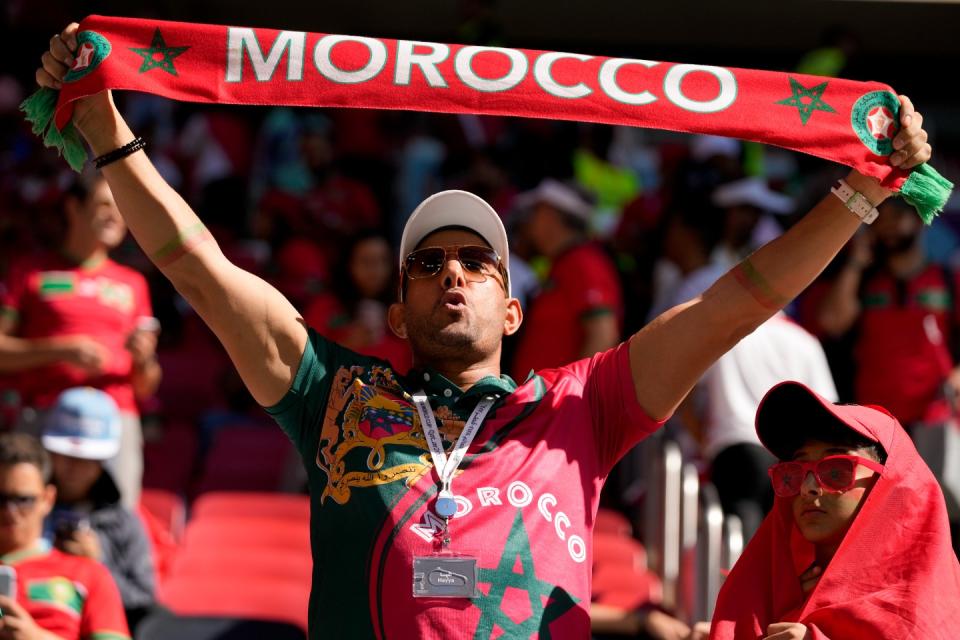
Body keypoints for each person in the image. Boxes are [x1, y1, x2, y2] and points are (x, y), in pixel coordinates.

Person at [36, 24, 932, 639]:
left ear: (512, 309)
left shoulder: (584, 405)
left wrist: (861, 195)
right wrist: (106, 128)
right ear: (396, 312)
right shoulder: (332, 393)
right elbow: (198, 267)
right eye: (426, 264)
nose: (451, 273)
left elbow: (736, 301)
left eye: (476, 261)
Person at [710, 381, 960, 638]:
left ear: (893, 483)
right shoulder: (763, 597)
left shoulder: (929, 610)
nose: (808, 487)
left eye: (836, 470)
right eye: (793, 473)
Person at [0, 169, 161, 508]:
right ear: (74, 207)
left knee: (115, 523)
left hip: (115, 419)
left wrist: (144, 359)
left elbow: (146, 386)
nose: (115, 214)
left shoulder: (134, 283)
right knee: (23, 517)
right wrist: (61, 350)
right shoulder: (29, 271)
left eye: (121, 207)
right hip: (43, 413)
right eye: (104, 203)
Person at [817, 196, 960, 426]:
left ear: (920, 220)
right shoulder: (863, 281)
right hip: (873, 418)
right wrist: (856, 262)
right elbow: (832, 322)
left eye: (897, 215)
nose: (887, 225)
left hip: (936, 416)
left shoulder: (948, 280)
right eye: (879, 218)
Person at [41, 387, 156, 631]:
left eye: (85, 458)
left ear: (103, 460)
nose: (72, 465)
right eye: (64, 454)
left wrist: (97, 565)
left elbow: (143, 599)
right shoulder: (22, 509)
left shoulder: (125, 522)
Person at [0, 432, 130, 640]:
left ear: (47, 499)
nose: (9, 511)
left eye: (23, 500)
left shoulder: (88, 574)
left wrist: (37, 638)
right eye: (1, 499)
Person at [511, 179, 623, 379]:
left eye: (534, 213)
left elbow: (603, 334)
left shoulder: (584, 263)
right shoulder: (565, 263)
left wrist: (570, 400)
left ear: (549, 215)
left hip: (557, 406)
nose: (527, 224)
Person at [303, 230, 411, 373]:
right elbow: (304, 363)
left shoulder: (408, 309)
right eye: (365, 262)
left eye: (383, 261)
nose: (375, 271)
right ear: (348, 264)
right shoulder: (325, 307)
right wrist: (349, 344)